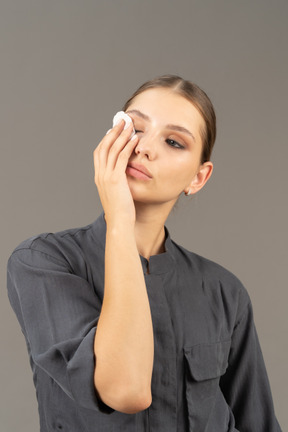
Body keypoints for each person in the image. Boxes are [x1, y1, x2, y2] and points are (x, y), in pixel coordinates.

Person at [7, 75, 282, 432]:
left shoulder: (223, 292)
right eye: (135, 128)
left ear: (198, 178)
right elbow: (125, 390)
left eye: (173, 141)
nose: (144, 148)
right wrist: (119, 216)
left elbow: (257, 423)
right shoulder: (44, 262)